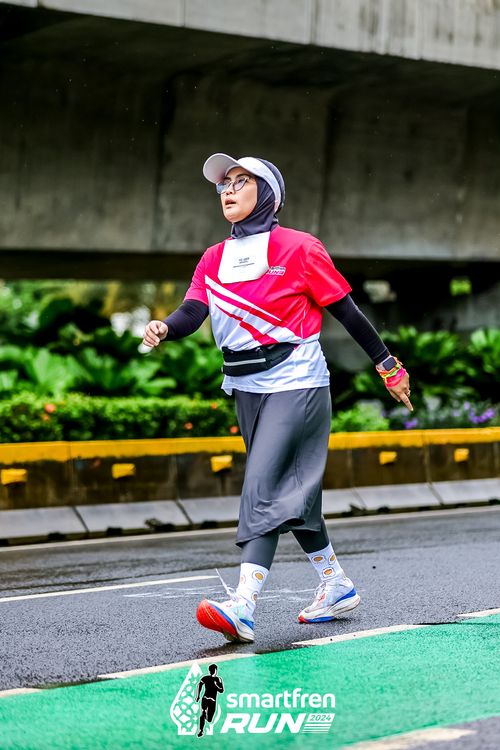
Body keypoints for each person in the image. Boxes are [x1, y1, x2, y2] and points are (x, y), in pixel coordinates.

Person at [142, 153, 412, 644]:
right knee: (293, 497)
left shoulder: (300, 248)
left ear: (267, 193)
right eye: (223, 184)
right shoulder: (213, 257)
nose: (227, 190)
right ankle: (336, 584)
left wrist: (388, 365)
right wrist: (166, 326)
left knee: (263, 486)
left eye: (240, 181)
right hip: (245, 386)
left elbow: (347, 312)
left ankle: (243, 605)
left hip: (297, 381)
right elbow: (193, 309)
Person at [195, 663, 224, 737]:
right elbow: (199, 685)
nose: (213, 671)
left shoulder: (217, 679)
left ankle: (205, 717)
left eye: (213, 670)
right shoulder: (207, 678)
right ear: (210, 671)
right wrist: (198, 695)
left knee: (209, 719)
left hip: (211, 700)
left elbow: (221, 690)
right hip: (207, 699)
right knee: (203, 713)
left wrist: (216, 685)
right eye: (212, 670)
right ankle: (201, 730)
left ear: (215, 670)